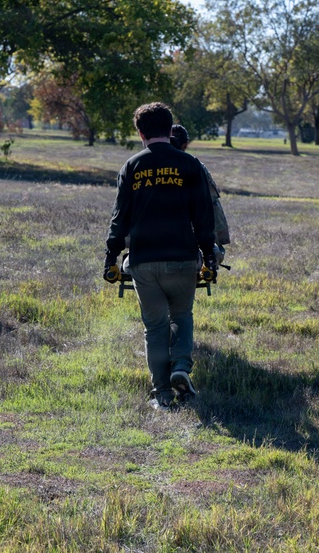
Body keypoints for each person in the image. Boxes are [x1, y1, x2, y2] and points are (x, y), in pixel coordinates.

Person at [105, 103, 217, 410]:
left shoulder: (132, 167)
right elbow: (204, 218)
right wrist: (209, 256)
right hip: (182, 257)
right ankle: (181, 366)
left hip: (144, 261)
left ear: (140, 133)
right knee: (181, 316)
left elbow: (119, 219)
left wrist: (110, 259)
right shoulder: (190, 164)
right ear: (171, 131)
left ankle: (162, 393)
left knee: (154, 328)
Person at [169, 124, 231, 262]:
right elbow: (212, 204)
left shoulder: (145, 164)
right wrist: (217, 242)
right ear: (185, 145)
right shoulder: (196, 167)